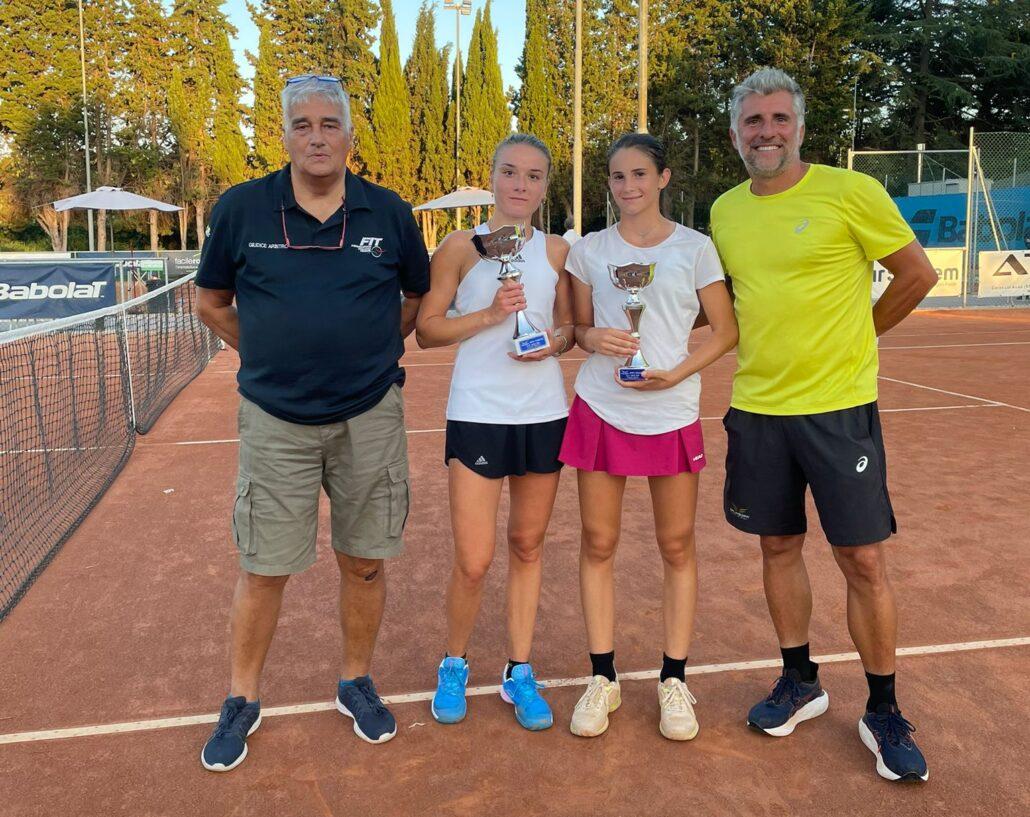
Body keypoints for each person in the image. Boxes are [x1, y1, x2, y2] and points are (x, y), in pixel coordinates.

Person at [194, 75, 429, 771]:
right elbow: (211, 303)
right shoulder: (242, 208)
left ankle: (355, 679)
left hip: (371, 418)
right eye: (304, 124)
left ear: (351, 138)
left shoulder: (388, 212)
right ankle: (242, 697)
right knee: (264, 567)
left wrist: (376, 349)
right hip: (275, 421)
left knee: (363, 562)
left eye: (331, 124)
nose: (318, 136)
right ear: (285, 134)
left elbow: (415, 296)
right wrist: (264, 353)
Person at [710, 67, 938, 782]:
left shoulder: (851, 191)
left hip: (839, 409)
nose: (766, 131)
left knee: (863, 560)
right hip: (758, 409)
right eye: (753, 121)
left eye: (779, 119)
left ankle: (883, 707)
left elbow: (916, 273)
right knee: (777, 545)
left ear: (800, 127)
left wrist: (861, 336)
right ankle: (800, 678)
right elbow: (724, 304)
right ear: (736, 133)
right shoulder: (725, 209)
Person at [561, 133, 738, 741]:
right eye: (617, 176)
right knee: (598, 542)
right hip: (601, 407)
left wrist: (676, 374)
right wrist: (593, 341)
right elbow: (579, 328)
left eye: (639, 174)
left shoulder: (695, 249)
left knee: (677, 545)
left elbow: (724, 330)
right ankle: (603, 678)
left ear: (663, 178)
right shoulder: (588, 251)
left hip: (671, 412)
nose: (628, 186)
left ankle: (673, 680)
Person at [415, 133, 574, 731]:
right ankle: (453, 664)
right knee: (475, 560)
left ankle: (519, 671)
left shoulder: (558, 251)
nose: (520, 185)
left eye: (533, 176)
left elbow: (568, 330)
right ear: (493, 176)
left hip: (542, 415)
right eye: (510, 172)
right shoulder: (460, 247)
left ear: (543, 186)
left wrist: (552, 346)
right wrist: (488, 315)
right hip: (479, 410)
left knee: (528, 547)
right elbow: (428, 331)